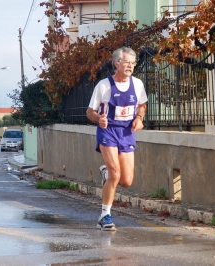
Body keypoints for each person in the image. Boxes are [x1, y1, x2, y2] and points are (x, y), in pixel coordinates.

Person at [86, 47, 148, 231]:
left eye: (133, 63)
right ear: (117, 64)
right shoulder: (103, 86)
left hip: (127, 132)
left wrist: (139, 118)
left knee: (127, 181)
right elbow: (90, 112)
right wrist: (100, 119)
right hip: (108, 132)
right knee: (115, 174)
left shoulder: (137, 84)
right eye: (127, 62)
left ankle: (107, 173)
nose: (130, 66)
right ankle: (105, 215)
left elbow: (142, 105)